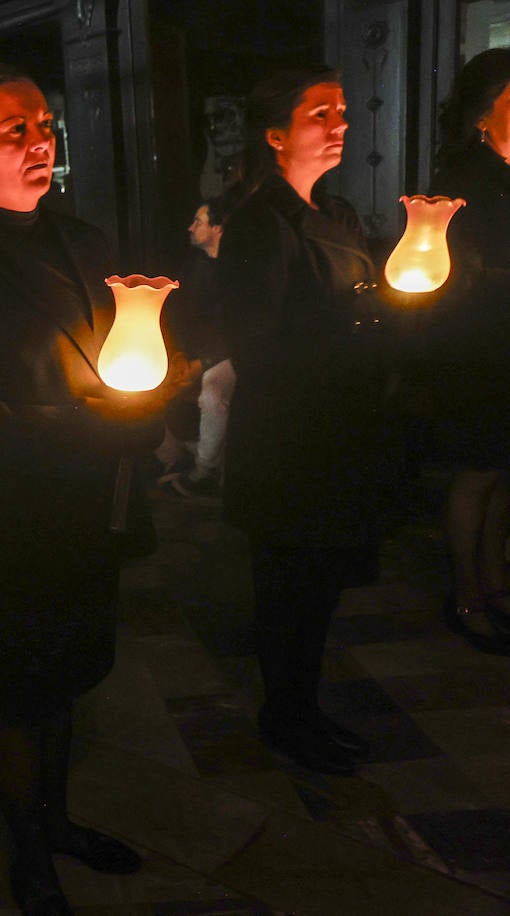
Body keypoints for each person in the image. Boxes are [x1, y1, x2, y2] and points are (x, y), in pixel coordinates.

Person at [0, 64, 178, 914]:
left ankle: (57, 820)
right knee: (16, 694)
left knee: (68, 677)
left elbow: (123, 353)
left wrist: (154, 388)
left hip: (83, 510)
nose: (38, 141)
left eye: (43, 123)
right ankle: (27, 851)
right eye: (12, 130)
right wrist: (87, 425)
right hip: (0, 525)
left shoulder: (85, 241)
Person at [218, 64, 403, 775]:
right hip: (290, 445)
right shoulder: (260, 228)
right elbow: (256, 348)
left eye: (343, 112)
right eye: (320, 113)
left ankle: (303, 709)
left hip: (335, 435)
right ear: (275, 134)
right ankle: (286, 716)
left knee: (318, 590)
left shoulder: (337, 216)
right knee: (289, 593)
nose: (340, 125)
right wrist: (349, 331)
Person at [425, 48, 510, 652]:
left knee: (503, 474)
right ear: (484, 113)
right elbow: (453, 270)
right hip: (478, 345)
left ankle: (496, 581)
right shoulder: (467, 177)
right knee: (477, 471)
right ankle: (466, 593)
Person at [160, 195, 237, 497]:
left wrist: (200, 364)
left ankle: (203, 470)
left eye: (199, 222)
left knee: (213, 395)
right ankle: (172, 459)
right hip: (194, 354)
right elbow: (183, 318)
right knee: (148, 388)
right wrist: (179, 357)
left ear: (218, 228)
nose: (190, 228)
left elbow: (234, 328)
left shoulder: (237, 270)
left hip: (229, 355)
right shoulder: (194, 267)